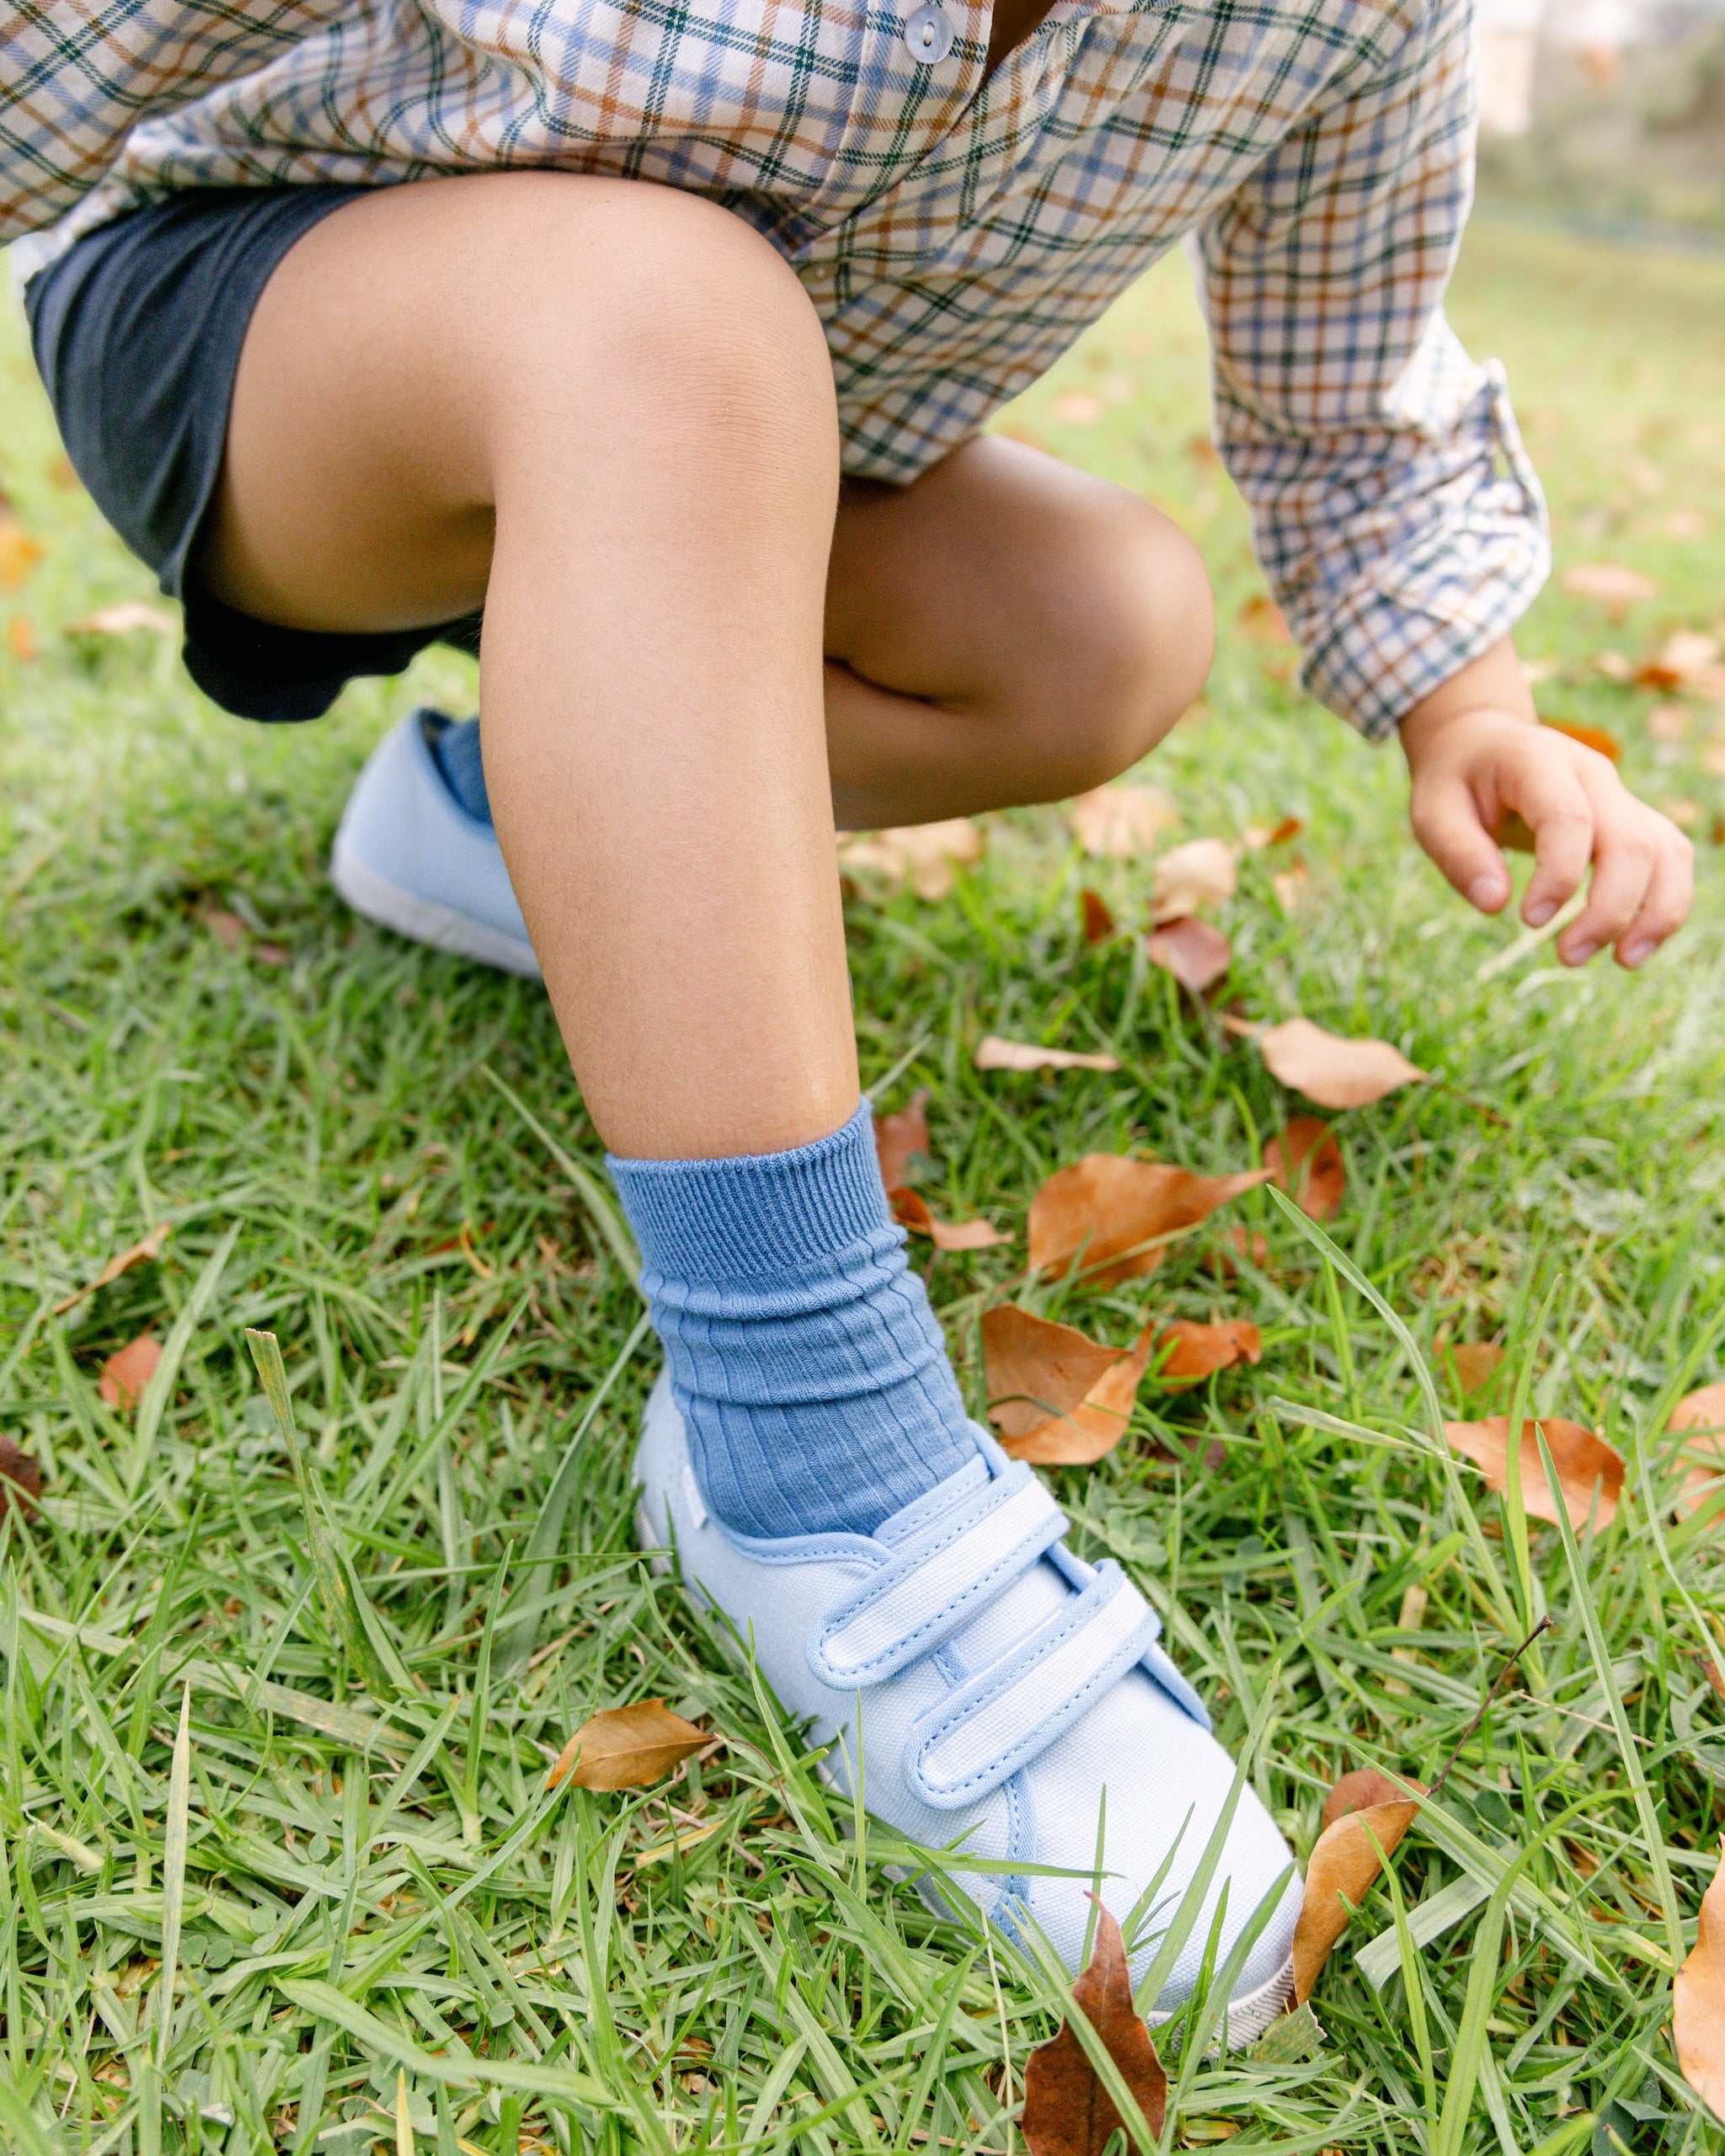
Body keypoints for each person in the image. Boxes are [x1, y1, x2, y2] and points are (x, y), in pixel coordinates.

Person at [2, 0, 1691, 2036]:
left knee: (1105, 628)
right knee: (667, 309)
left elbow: (1357, 390)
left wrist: (1472, 705)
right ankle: (806, 1455)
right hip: (280, 330)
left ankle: (493, 832)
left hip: (704, 477)